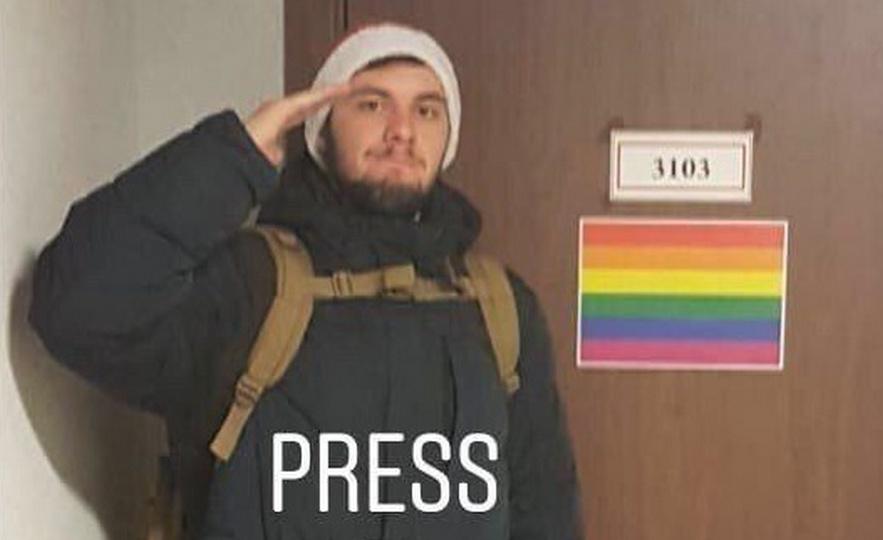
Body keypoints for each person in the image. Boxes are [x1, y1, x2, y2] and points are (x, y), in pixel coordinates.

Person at [28, 22, 581, 539]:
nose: (402, 130)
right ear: (321, 128)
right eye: (371, 104)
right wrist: (233, 158)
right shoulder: (254, 283)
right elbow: (77, 308)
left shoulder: (500, 307)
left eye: (427, 110)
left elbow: (545, 512)